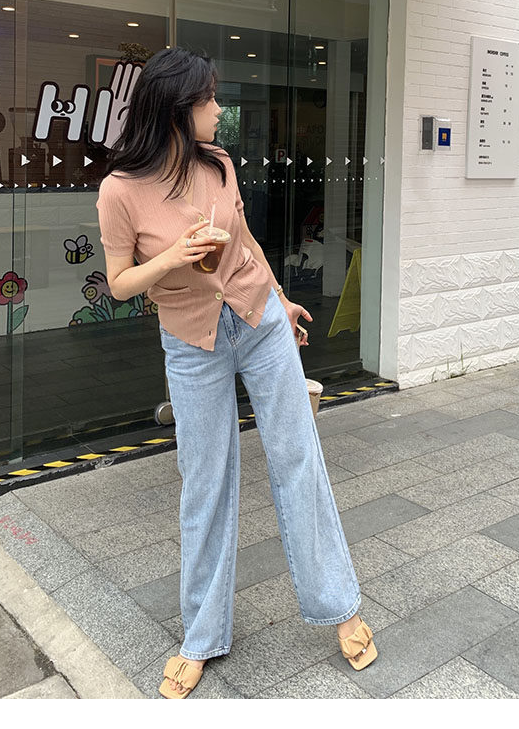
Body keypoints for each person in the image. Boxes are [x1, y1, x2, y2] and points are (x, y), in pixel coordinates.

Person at [96, 48, 376, 699]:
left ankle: (340, 607)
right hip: (190, 340)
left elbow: (245, 242)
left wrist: (280, 300)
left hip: (258, 320)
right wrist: (173, 257)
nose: (220, 110)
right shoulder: (120, 190)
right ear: (177, 110)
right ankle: (201, 636)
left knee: (298, 457)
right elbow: (118, 283)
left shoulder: (217, 164)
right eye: (210, 99)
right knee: (205, 481)